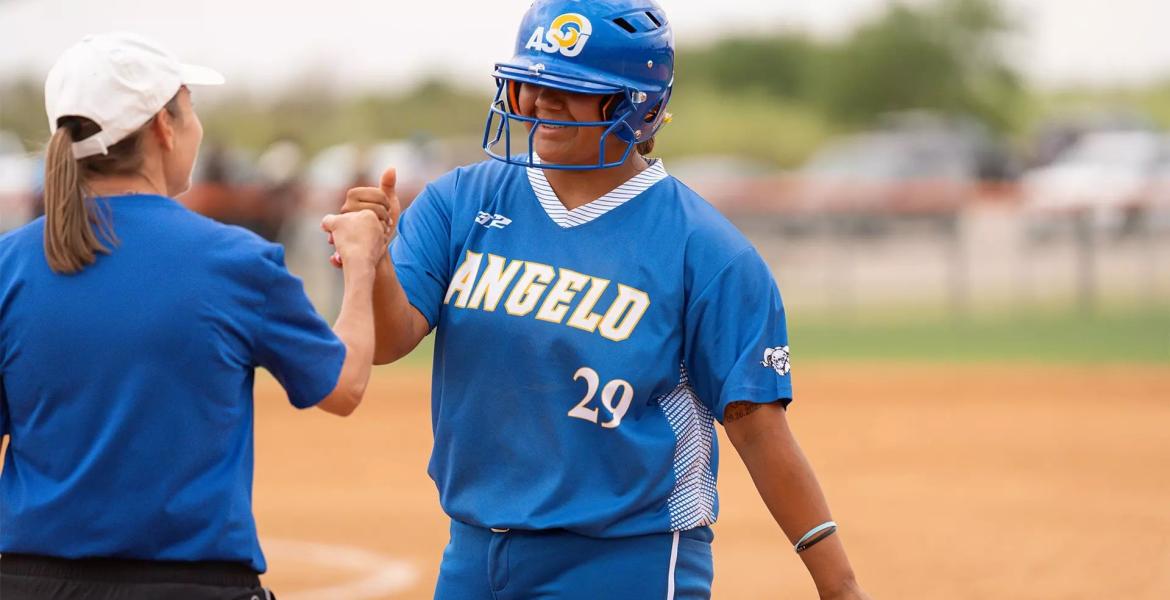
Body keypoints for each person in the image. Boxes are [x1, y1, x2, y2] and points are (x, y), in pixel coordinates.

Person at [342, 1, 872, 598]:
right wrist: (376, 263)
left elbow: (757, 430)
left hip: (627, 560)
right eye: (532, 82)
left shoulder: (705, 249)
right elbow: (389, 340)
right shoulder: (459, 201)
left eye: (569, 89)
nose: (541, 101)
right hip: (473, 554)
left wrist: (839, 584)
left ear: (636, 105)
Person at [0, 32, 387, 599]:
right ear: (163, 126)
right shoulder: (234, 262)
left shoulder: (10, 264)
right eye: (190, 107)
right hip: (191, 584)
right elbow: (343, 385)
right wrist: (360, 263)